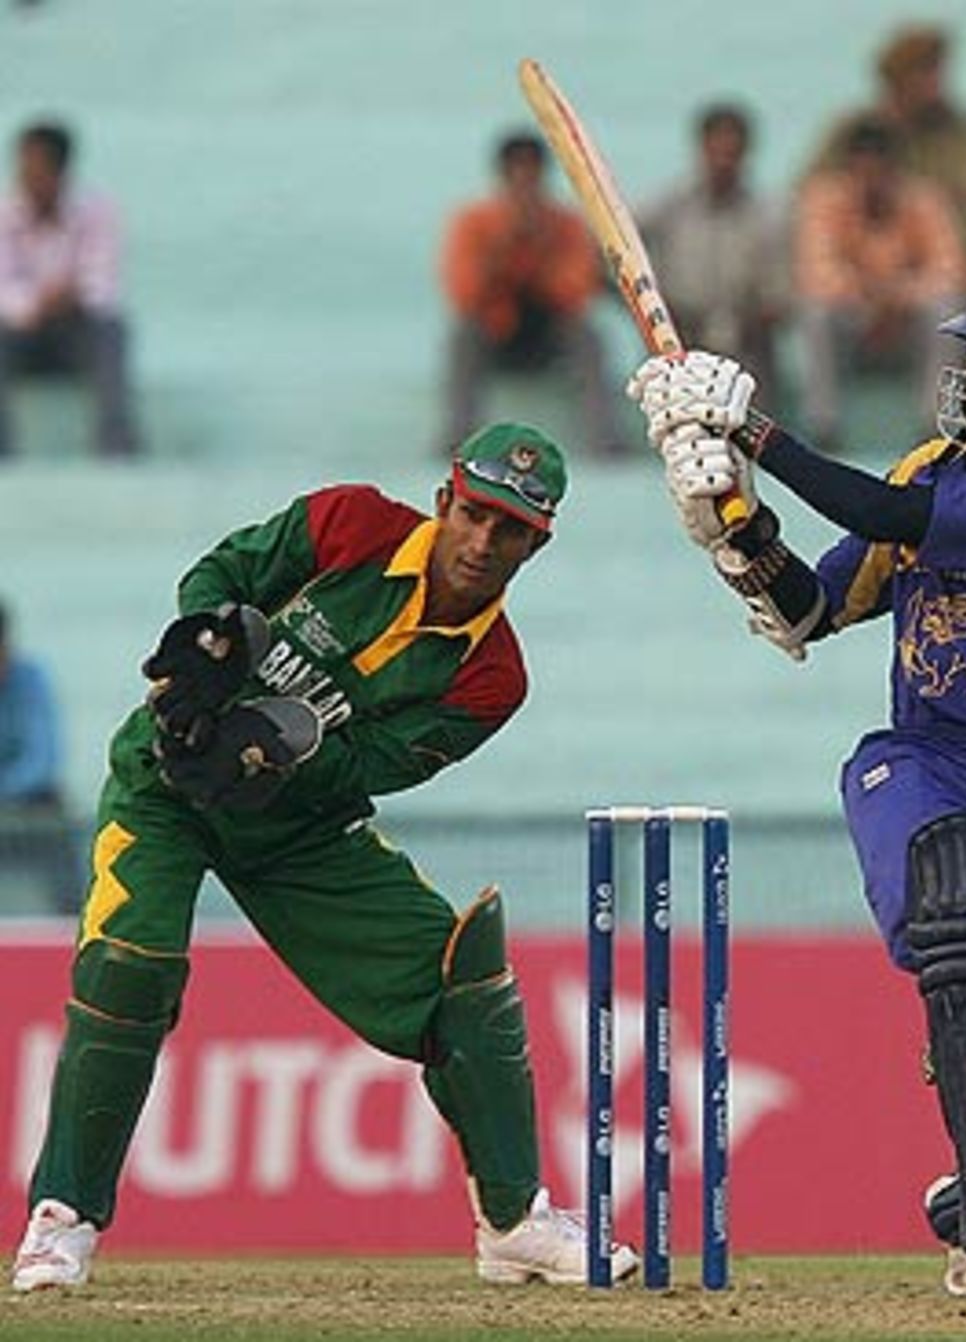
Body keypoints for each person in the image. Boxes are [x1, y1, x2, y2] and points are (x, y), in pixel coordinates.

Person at [626, 263, 966, 1297]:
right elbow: (808, 611)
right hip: (928, 756)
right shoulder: (934, 467)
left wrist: (755, 434)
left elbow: (885, 512)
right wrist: (734, 525)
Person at [10, 423, 638, 1292]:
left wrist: (270, 748)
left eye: (511, 531)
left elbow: (372, 764)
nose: (484, 542)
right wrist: (207, 648)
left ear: (536, 545)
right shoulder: (350, 524)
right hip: (166, 787)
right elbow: (224, 574)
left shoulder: (492, 677)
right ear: (446, 501)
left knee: (465, 984)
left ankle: (513, 1222)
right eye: (478, 515)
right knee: (128, 969)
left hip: (298, 829)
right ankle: (61, 1221)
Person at [437, 131, 627, 457]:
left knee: (588, 337)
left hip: (549, 331)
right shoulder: (473, 223)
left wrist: (540, 254)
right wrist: (504, 250)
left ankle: (605, 439)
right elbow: (463, 292)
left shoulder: (565, 224)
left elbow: (577, 291)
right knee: (463, 337)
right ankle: (457, 437)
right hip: (496, 329)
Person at [792, 113, 966, 451]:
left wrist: (897, 297)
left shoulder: (925, 199)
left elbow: (951, 270)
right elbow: (816, 272)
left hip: (906, 325)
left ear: (895, 171)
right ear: (849, 171)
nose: (871, 182)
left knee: (948, 310)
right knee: (814, 313)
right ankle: (823, 426)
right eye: (862, 173)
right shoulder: (824, 199)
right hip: (855, 324)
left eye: (880, 172)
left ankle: (935, 424)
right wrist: (872, 297)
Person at [809, 24, 966, 275]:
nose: (934, 83)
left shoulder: (961, 131)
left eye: (937, 72)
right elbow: (815, 186)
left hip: (940, 244)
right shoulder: (854, 129)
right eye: (923, 72)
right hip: (860, 246)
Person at [0, 120, 140, 459]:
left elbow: (103, 285)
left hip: (77, 331)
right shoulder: (5, 213)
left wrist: (67, 299)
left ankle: (116, 447)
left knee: (112, 332)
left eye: (37, 167)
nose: (28, 176)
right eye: (24, 165)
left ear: (60, 170)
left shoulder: (98, 211)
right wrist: (39, 303)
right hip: (20, 332)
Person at [637, 102, 790, 409]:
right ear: (701, 149)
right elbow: (618, 252)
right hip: (682, 336)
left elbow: (783, 292)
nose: (723, 163)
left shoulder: (769, 214)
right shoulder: (668, 206)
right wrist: (650, 310)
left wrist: (758, 316)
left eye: (731, 154)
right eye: (716, 152)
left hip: (746, 339)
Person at [0, 599, 82, 914]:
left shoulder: (30, 678)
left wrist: (5, 793)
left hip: (27, 802)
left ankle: (77, 923)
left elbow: (43, 759)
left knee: (57, 823)